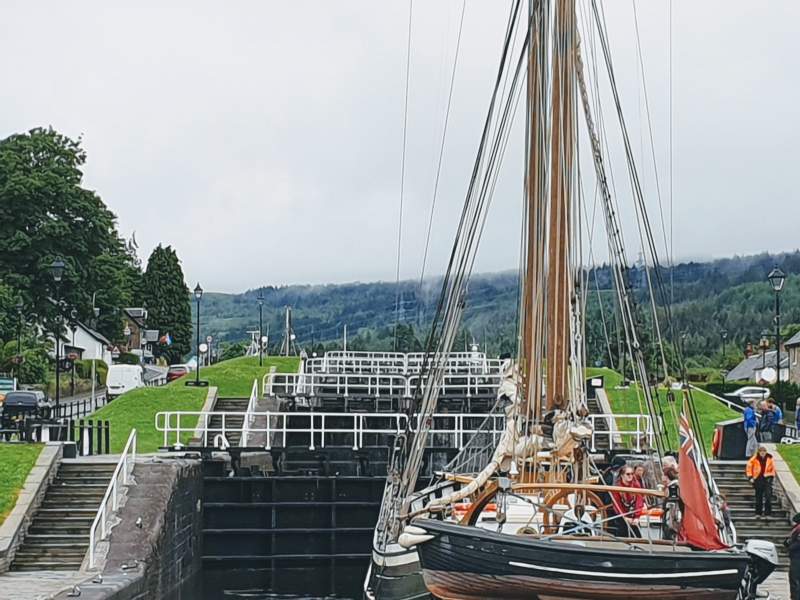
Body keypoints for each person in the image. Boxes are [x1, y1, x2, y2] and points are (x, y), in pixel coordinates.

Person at [611, 466, 645, 537]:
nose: (631, 476)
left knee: (637, 536)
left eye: (632, 474)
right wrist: (625, 517)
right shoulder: (617, 488)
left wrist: (636, 517)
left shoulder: (636, 485)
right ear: (622, 475)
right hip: (622, 516)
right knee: (622, 532)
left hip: (634, 515)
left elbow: (639, 502)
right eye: (628, 474)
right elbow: (617, 504)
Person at [746, 445, 776, 517]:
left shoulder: (770, 458)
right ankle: (758, 513)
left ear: (766, 452)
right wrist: (750, 477)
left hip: (767, 479)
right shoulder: (754, 459)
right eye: (761, 451)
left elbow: (773, 469)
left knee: (768, 497)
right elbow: (749, 468)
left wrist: (771, 477)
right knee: (758, 497)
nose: (762, 453)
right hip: (758, 479)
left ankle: (767, 513)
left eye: (764, 451)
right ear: (758, 452)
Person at [783, 512, 800, 600]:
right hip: (795, 556)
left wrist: (789, 546)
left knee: (795, 580)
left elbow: (797, 543)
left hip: (797, 557)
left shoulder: (798, 528)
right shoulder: (796, 528)